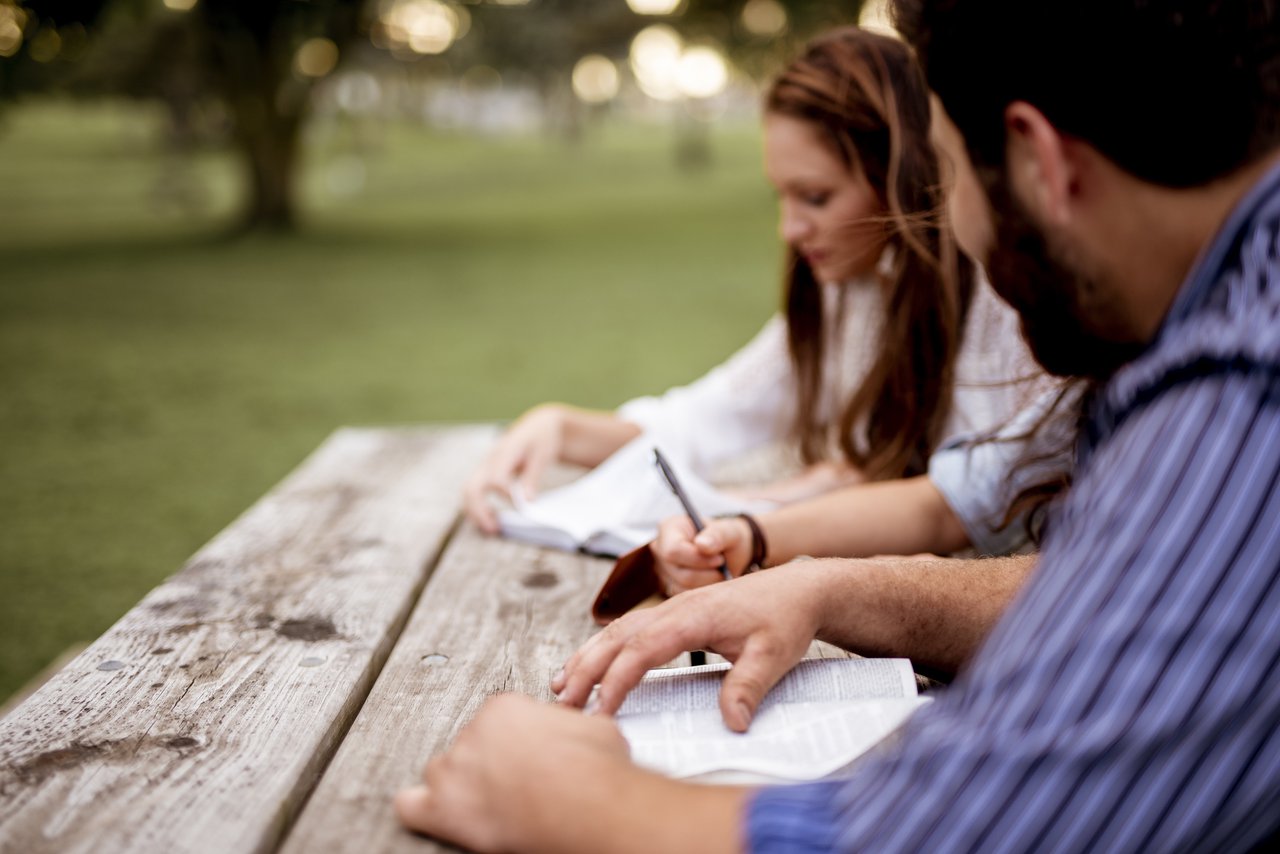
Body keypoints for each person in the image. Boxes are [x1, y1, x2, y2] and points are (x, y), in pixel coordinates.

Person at [395, 1, 1280, 850]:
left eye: (947, 171)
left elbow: (986, 828)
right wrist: (828, 586)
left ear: (1041, 161)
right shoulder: (1221, 315)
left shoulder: (1238, 395)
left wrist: (598, 810)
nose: (950, 224)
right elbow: (1103, 578)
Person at [464, 27, 1048, 553]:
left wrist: (782, 510)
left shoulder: (1006, 311)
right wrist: (559, 425)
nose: (790, 230)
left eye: (815, 197)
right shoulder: (844, 291)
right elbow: (714, 416)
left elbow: (980, 501)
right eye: (782, 196)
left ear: (899, 180)